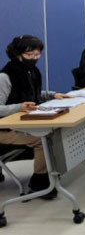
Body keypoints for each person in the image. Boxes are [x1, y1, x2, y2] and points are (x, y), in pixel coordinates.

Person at [0, 35, 69, 199]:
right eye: (29, 55)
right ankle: (39, 183)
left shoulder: (31, 72)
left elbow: (33, 94)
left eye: (37, 54)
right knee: (42, 139)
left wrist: (53, 95)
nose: (34, 58)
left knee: (53, 133)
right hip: (4, 130)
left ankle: (49, 175)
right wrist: (19, 107)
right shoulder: (5, 77)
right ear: (18, 55)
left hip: (20, 125)